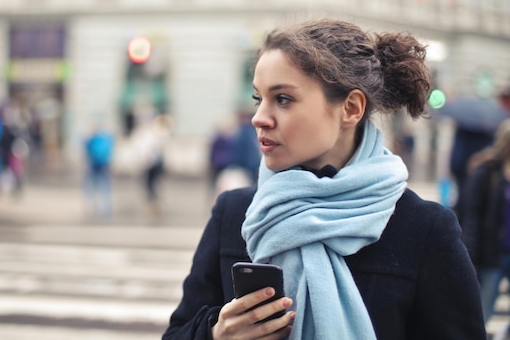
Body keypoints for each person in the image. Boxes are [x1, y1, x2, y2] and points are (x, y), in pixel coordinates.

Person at [163, 19, 485, 340]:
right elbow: (177, 333)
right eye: (258, 99)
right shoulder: (234, 213)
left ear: (351, 108)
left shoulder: (424, 229)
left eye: (283, 99)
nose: (259, 118)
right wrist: (215, 333)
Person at [460, 118, 510, 326]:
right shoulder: (487, 172)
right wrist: (470, 255)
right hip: (493, 253)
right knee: (482, 312)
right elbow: (471, 215)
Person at [83, 122, 115, 218]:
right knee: (104, 188)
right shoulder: (106, 140)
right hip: (103, 166)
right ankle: (106, 209)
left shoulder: (92, 140)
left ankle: (92, 207)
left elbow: (86, 151)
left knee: (92, 188)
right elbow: (109, 152)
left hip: (93, 166)